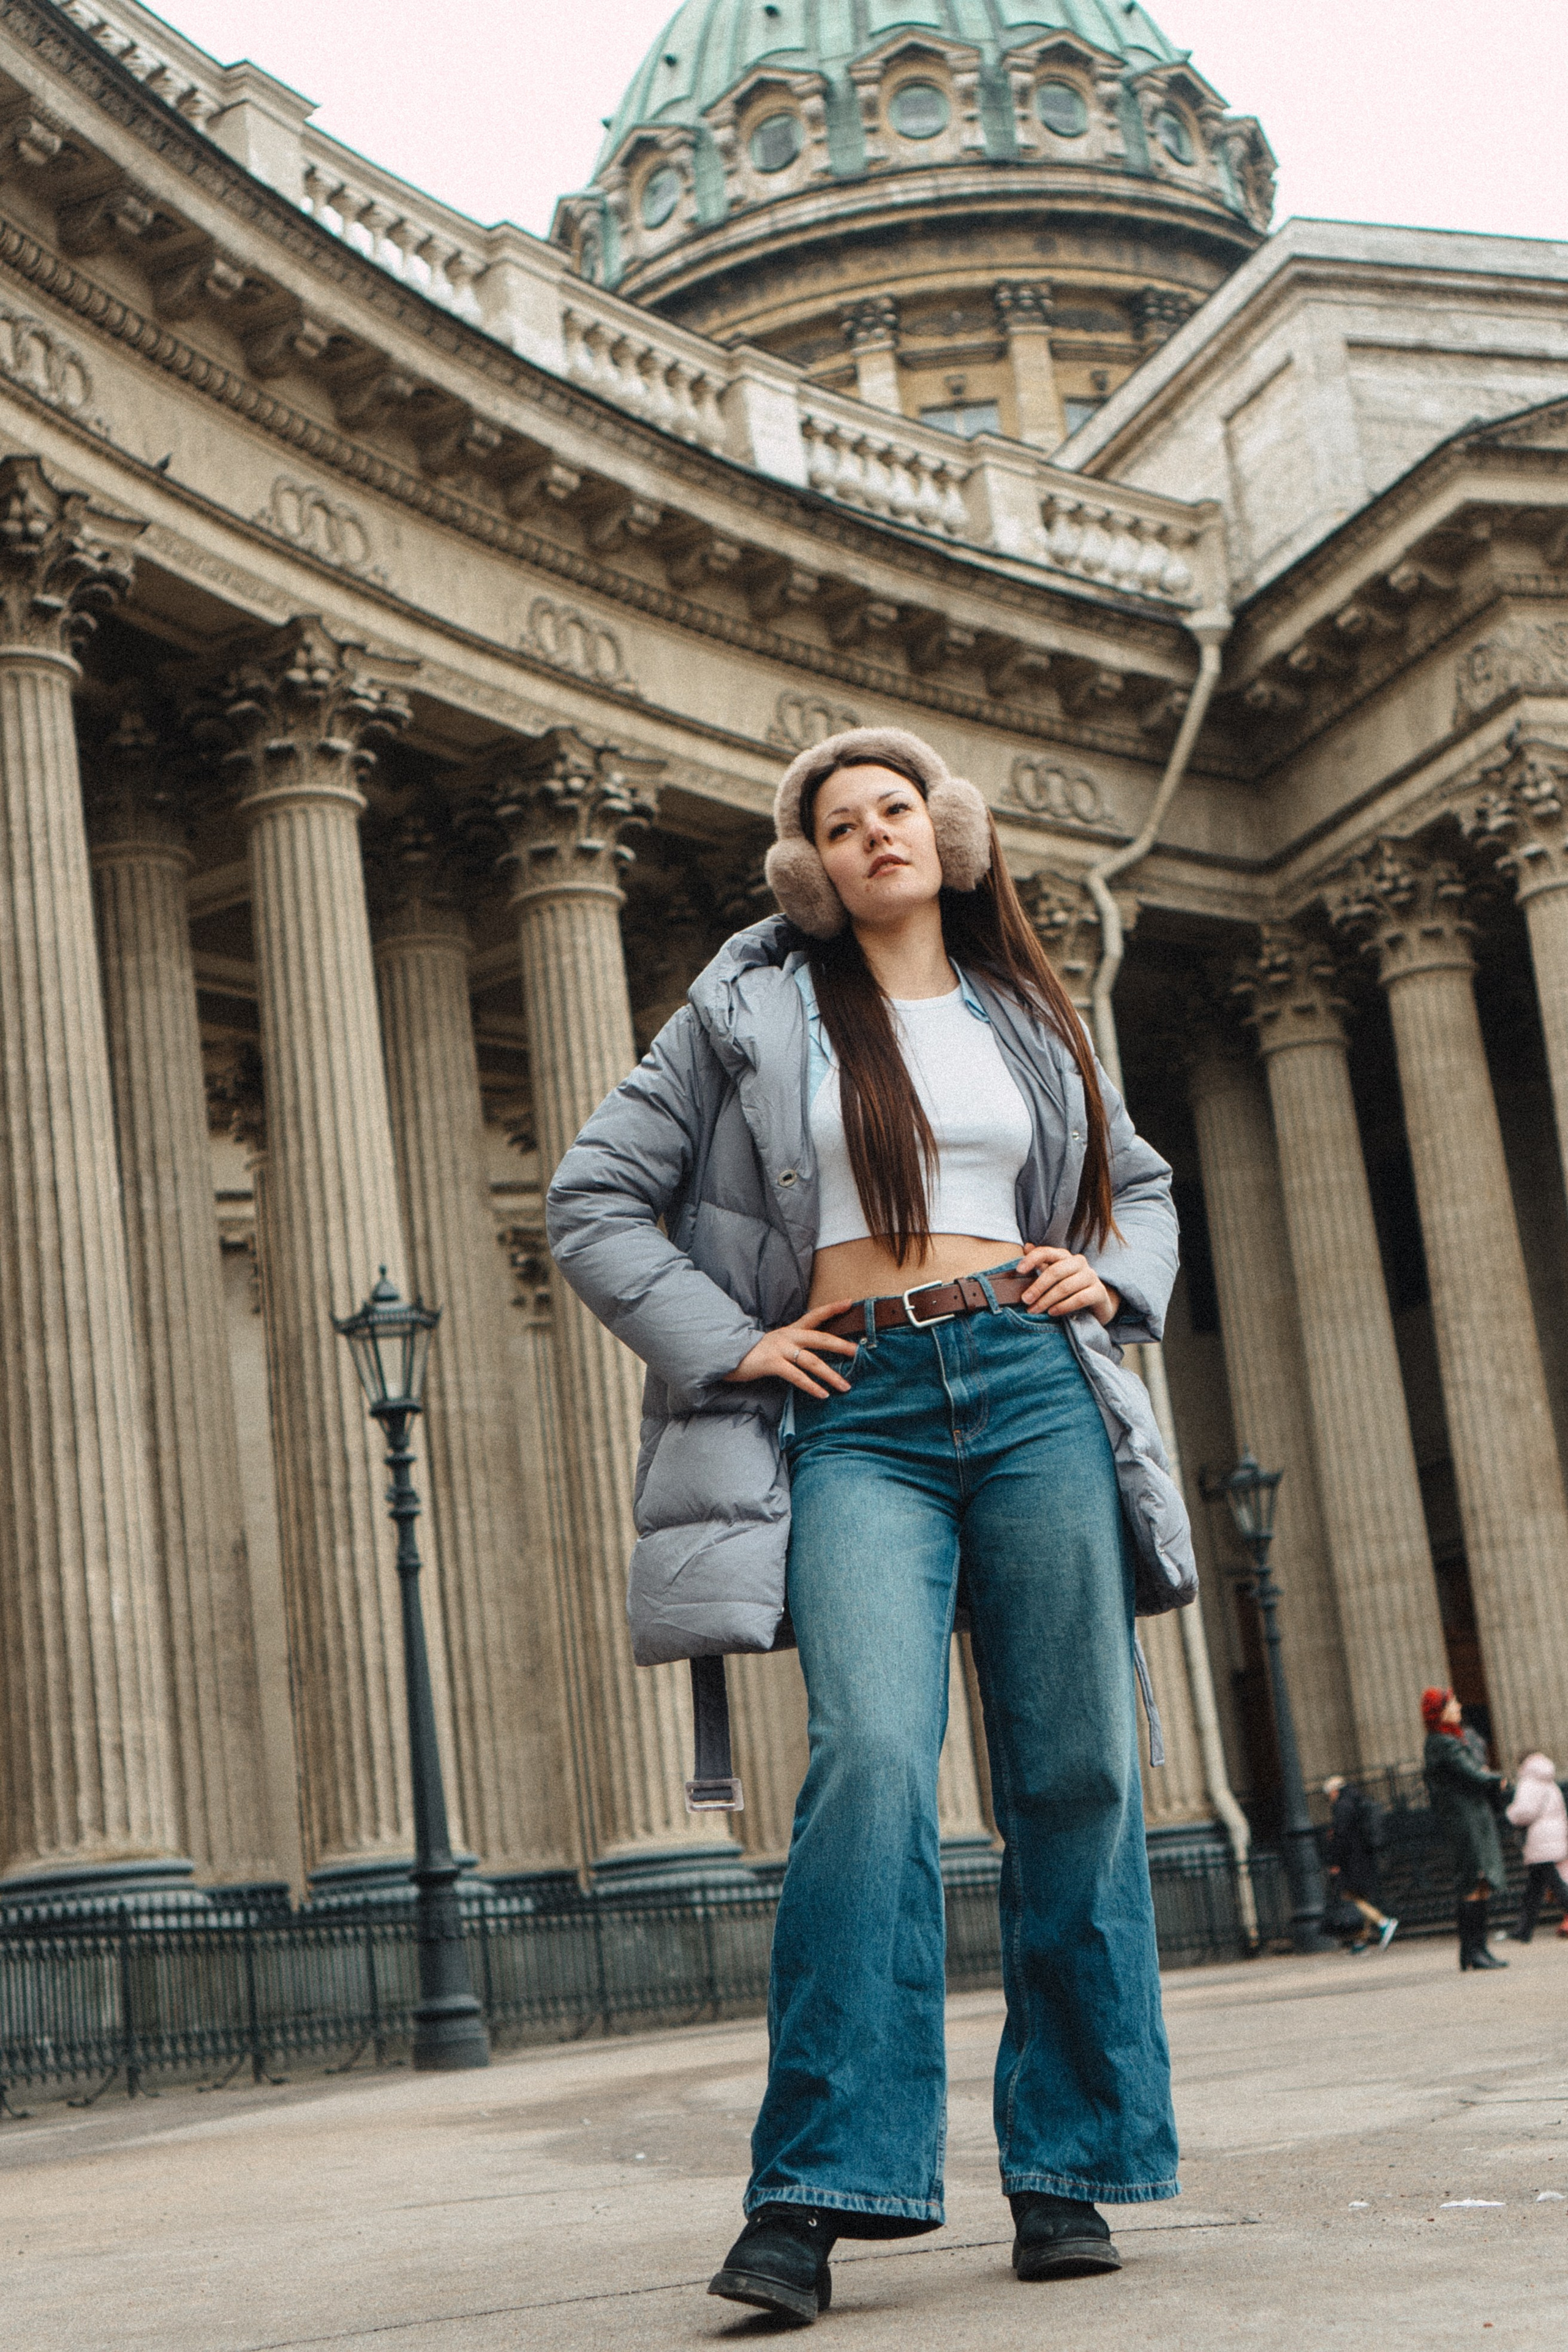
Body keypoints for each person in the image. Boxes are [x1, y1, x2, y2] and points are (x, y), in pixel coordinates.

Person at [549, 727, 1196, 2325]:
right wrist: (729, 1342)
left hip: (1033, 1382)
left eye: (895, 810)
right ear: (811, 868)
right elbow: (591, 1198)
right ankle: (818, 2186)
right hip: (859, 1403)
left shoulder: (1025, 1010)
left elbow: (1138, 1188)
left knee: (1076, 1770)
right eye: (839, 825)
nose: (873, 837)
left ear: (945, 834)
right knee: (871, 1762)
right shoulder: (747, 1007)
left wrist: (1109, 1275)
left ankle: (1066, 2168)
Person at [1421, 1688, 1510, 1971]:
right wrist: (1496, 1779)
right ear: (1441, 1712)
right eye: (1453, 1703)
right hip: (1464, 1819)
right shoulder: (1441, 1742)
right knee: (1472, 1880)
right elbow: (1470, 1771)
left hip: (1473, 1815)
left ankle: (1477, 1950)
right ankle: (1472, 1950)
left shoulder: (1453, 1738)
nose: (1459, 1706)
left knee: (1481, 1882)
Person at [1322, 1776, 1397, 1952]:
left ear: (1334, 1791)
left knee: (1350, 1897)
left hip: (1351, 1860)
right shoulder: (1356, 1801)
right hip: (1363, 1857)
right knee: (1359, 1898)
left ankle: (1383, 1922)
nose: (1329, 1798)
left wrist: (1335, 1861)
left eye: (1329, 1795)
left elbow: (1341, 1836)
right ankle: (1360, 1941)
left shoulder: (1342, 1806)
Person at [1505, 1754, 1568, 1942]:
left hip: (1539, 1840)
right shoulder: (1549, 1782)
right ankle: (1523, 1930)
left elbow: (1524, 1812)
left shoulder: (1529, 1783)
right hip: (1554, 1836)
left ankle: (1523, 1930)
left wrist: (1510, 1814)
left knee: (1554, 1885)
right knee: (1534, 1889)